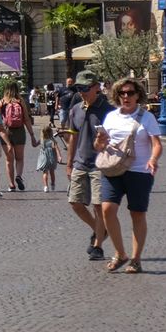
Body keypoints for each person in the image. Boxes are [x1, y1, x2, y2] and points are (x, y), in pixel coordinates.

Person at [93, 77, 163, 274]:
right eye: (122, 93)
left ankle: (136, 259)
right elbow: (99, 147)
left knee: (137, 214)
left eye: (130, 93)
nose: (126, 96)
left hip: (139, 171)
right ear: (117, 96)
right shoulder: (111, 117)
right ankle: (120, 253)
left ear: (138, 95)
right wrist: (99, 140)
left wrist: (153, 159)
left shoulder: (147, 117)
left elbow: (156, 144)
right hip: (113, 169)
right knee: (107, 209)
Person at [63, 70, 113, 262]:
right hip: (80, 162)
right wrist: (69, 163)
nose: (81, 92)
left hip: (101, 165)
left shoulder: (108, 110)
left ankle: (98, 245)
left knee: (99, 206)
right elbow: (72, 138)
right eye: (78, 88)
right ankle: (99, 229)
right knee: (75, 202)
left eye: (85, 88)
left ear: (96, 88)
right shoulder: (75, 109)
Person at [0, 83, 32, 191]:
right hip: (19, 131)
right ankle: (19, 176)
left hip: (6, 132)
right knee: (19, 158)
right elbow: (26, 119)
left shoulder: (2, 102)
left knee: (9, 160)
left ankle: (11, 184)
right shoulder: (20, 101)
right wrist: (32, 135)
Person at [35, 122, 62, 192]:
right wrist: (59, 156)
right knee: (52, 172)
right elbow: (56, 148)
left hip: (44, 159)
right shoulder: (52, 140)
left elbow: (34, 144)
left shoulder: (41, 140)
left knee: (45, 172)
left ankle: (46, 186)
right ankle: (53, 184)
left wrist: (32, 137)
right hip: (51, 158)